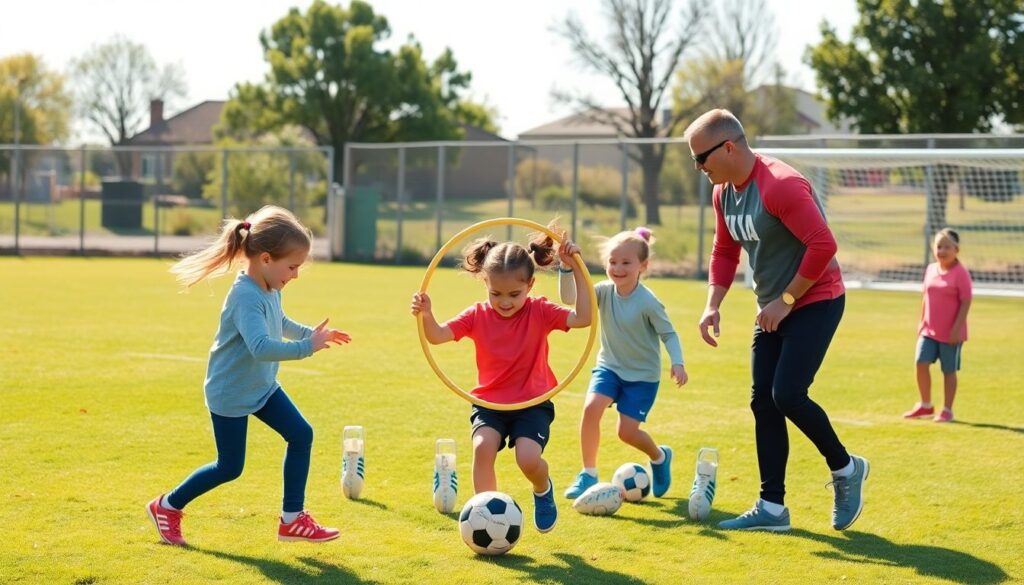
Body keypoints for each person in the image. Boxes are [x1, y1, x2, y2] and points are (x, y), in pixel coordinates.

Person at [685, 109, 868, 532]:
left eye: (701, 158)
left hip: (816, 299)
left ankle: (846, 468)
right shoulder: (723, 193)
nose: (698, 168)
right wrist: (712, 304)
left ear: (728, 148)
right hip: (772, 306)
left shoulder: (780, 184)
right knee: (762, 401)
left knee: (787, 394)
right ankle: (772, 508)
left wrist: (786, 300)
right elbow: (724, 251)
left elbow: (823, 245)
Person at [146, 205, 351, 546]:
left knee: (301, 434)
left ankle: (292, 519)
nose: (295, 275)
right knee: (229, 467)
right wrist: (307, 348)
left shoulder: (270, 288)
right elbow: (260, 346)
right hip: (230, 393)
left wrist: (310, 334)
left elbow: (279, 322)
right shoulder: (244, 295)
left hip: (262, 386)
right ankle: (166, 506)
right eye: (293, 267)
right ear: (266, 259)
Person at [410, 228, 591, 533]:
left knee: (528, 459)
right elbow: (437, 336)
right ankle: (484, 516)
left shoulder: (540, 311)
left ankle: (542, 488)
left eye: (514, 294)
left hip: (532, 403)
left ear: (530, 285)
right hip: (489, 403)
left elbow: (583, 318)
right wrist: (426, 314)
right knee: (482, 448)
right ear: (485, 283)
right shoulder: (477, 315)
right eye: (496, 294)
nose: (504, 302)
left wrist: (577, 271)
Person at [557, 227, 688, 500]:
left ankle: (659, 457)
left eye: (626, 262)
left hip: (642, 377)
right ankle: (588, 474)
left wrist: (678, 362)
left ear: (643, 266)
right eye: (613, 262)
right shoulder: (603, 291)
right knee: (591, 408)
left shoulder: (648, 302)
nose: (617, 268)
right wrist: (567, 268)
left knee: (626, 433)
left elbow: (669, 334)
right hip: (609, 368)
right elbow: (571, 300)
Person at [904, 228, 972, 423]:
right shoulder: (930, 269)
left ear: (956, 250)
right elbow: (925, 297)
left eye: (946, 247)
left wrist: (957, 329)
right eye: (938, 246)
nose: (942, 251)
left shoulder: (961, 274)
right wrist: (921, 323)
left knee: (948, 371)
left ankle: (947, 410)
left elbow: (966, 301)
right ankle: (925, 405)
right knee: (920, 363)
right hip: (928, 330)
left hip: (951, 334)